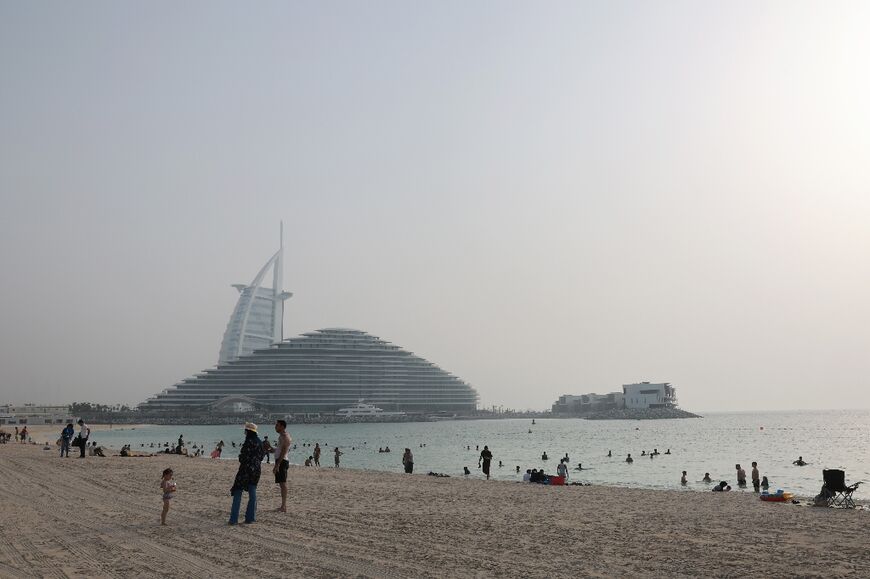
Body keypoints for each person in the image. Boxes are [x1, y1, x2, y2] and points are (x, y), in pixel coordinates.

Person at [228, 423, 265, 525]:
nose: (245, 433)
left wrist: (243, 459)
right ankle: (250, 518)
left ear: (248, 432)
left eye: (245, 431)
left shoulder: (248, 442)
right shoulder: (260, 442)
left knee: (238, 492)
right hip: (256, 470)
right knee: (252, 493)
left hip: (245, 470)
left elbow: (242, 457)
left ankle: (233, 519)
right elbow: (262, 457)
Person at [273, 420, 291, 513]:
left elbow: (284, 451)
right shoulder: (281, 436)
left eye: (277, 425)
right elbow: (280, 450)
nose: (275, 427)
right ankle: (282, 506)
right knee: (281, 484)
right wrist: (273, 449)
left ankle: (284, 506)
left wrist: (277, 464)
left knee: (283, 484)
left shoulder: (285, 436)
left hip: (282, 461)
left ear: (282, 427)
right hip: (281, 460)